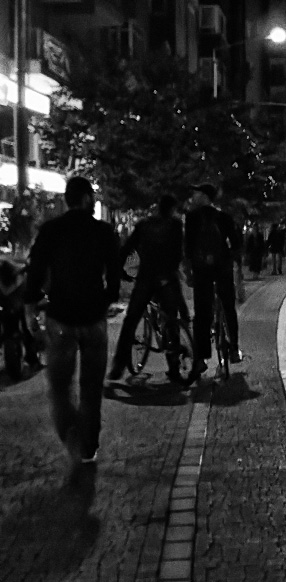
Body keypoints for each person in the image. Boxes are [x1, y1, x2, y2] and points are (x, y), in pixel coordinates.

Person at [24, 176, 120, 494]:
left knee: (60, 388)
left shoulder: (51, 231)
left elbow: (35, 270)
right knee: (91, 388)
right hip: (93, 318)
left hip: (61, 318)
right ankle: (90, 445)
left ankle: (72, 437)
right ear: (86, 199)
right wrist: (109, 296)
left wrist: (29, 306)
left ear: (67, 199)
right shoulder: (103, 231)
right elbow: (119, 268)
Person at [108, 194, 186, 384]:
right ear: (173, 209)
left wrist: (121, 270)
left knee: (131, 320)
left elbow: (127, 248)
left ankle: (118, 365)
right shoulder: (175, 225)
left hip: (146, 278)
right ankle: (174, 367)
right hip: (167, 277)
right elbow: (178, 251)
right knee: (172, 319)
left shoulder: (144, 225)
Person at [184, 183, 242, 383]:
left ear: (204, 196)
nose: (193, 197)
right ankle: (233, 348)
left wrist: (189, 272)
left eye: (196, 193)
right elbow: (236, 243)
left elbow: (188, 248)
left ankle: (201, 358)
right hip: (222, 269)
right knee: (228, 306)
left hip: (202, 271)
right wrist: (233, 263)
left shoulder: (191, 218)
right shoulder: (224, 217)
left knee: (202, 314)